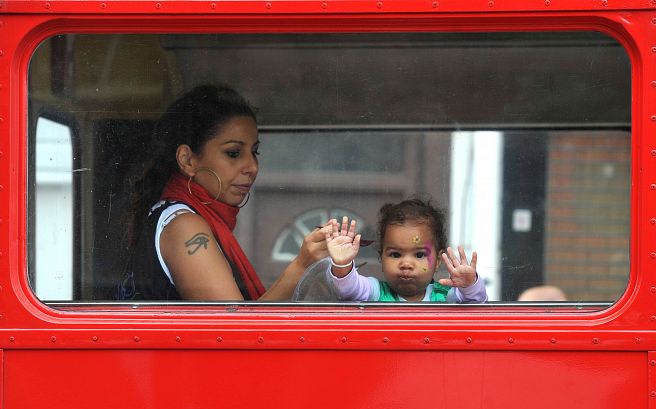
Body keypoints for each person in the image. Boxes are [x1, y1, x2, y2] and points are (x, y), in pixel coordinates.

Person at [118, 85, 331, 300]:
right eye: (233, 153)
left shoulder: (172, 215)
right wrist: (302, 264)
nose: (252, 166)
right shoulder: (184, 226)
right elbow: (235, 330)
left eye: (254, 152)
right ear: (187, 160)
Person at [324, 198, 487, 302]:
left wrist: (469, 285)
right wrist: (343, 264)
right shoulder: (375, 292)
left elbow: (476, 301)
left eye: (419, 254)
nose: (406, 264)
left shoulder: (445, 296)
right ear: (382, 258)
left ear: (437, 261)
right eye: (395, 254)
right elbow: (349, 289)